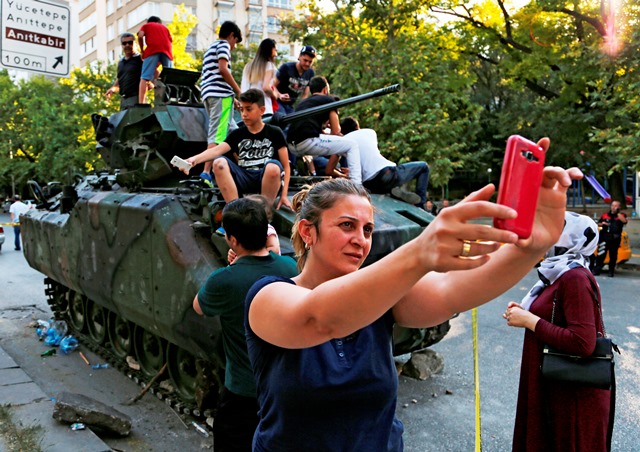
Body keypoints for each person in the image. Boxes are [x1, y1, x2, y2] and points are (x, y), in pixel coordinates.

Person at [243, 149, 581, 450]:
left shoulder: (383, 296)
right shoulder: (268, 295)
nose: (360, 239)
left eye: (367, 229)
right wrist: (420, 251)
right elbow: (318, 318)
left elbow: (452, 291)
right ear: (307, 231)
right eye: (347, 225)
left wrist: (531, 247)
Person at [193, 197, 297, 451]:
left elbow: (199, 306)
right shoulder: (290, 267)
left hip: (244, 390)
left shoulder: (223, 280)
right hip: (285, 386)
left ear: (232, 240)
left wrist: (235, 266)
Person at [504, 211, 613, 451]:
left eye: (554, 231)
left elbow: (583, 343)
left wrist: (530, 320)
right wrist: (526, 312)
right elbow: (556, 314)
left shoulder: (574, 277)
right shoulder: (558, 272)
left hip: (570, 399)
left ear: (570, 237)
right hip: (558, 390)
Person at [183, 89, 292, 210]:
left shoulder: (274, 132)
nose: (244, 114)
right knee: (219, 162)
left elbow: (286, 166)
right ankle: (235, 210)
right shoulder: (238, 134)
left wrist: (284, 195)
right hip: (244, 177)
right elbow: (216, 151)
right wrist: (193, 160)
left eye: (248, 109)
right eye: (241, 109)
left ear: (262, 110)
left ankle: (265, 211)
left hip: (265, 178)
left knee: (273, 167)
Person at [286, 76, 362, 184]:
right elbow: (336, 131)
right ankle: (357, 184)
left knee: (342, 147)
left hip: (292, 146)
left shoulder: (303, 103)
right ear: (325, 89)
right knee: (352, 145)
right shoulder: (329, 101)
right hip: (307, 142)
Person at [340, 116, 430, 206]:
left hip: (369, 185)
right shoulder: (369, 132)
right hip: (386, 174)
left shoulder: (342, 142)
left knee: (384, 185)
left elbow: (345, 168)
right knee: (424, 167)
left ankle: (392, 191)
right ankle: (421, 203)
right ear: (357, 126)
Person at [200, 21, 243, 184]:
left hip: (211, 95)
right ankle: (206, 172)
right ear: (232, 36)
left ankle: (244, 167)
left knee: (235, 133)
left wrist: (233, 99)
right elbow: (223, 69)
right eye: (236, 42)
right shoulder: (224, 45)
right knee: (217, 135)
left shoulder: (211, 48)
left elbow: (214, 77)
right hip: (220, 96)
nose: (234, 47)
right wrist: (238, 91)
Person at [228, 194, 280, 264]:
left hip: (268, 264)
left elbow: (275, 249)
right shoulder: (244, 229)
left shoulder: (269, 230)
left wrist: (251, 256)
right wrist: (233, 251)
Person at [137, 16, 173, 104]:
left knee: (144, 77)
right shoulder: (165, 28)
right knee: (170, 77)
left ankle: (141, 103)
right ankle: (170, 99)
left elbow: (140, 36)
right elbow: (170, 41)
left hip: (152, 49)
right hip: (167, 50)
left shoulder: (146, 25)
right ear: (160, 23)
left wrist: (142, 51)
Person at [273, 45, 316, 114]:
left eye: (310, 62)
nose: (307, 64)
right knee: (282, 118)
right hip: (277, 101)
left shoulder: (310, 73)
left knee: (295, 119)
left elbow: (305, 95)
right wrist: (279, 95)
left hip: (290, 105)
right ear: (299, 56)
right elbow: (272, 86)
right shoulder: (287, 68)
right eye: (305, 60)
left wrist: (302, 109)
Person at [105, 33, 143, 110]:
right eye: (124, 43)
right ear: (122, 45)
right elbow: (120, 79)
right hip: (124, 100)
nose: (127, 45)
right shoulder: (121, 62)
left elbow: (152, 74)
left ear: (135, 43)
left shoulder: (140, 59)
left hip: (136, 99)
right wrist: (112, 89)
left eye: (130, 42)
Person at [241, 39, 278, 117]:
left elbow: (243, 89)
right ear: (270, 50)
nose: (276, 54)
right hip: (264, 109)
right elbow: (266, 87)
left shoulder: (248, 66)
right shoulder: (269, 66)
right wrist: (275, 95)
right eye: (275, 50)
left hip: (248, 109)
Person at [593, 200, 627, 277]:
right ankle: (597, 269)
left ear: (619, 207)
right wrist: (603, 224)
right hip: (604, 237)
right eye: (612, 205)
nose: (613, 207)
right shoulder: (605, 215)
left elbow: (624, 221)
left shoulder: (621, 215)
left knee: (613, 255)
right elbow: (599, 223)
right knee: (601, 254)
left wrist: (617, 213)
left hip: (615, 238)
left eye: (616, 206)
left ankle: (611, 271)